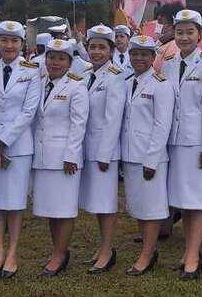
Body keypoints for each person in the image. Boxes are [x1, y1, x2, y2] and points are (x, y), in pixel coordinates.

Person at [0, 20, 42, 280]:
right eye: (4, 40)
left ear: (22, 44)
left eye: (14, 41)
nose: (9, 45)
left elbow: (29, 111)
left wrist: (3, 140)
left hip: (18, 146)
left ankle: (13, 253)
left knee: (15, 203)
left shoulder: (32, 71)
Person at [161, 10, 202, 279]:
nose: (184, 37)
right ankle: (188, 252)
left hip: (196, 143)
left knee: (197, 201)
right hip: (173, 141)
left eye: (189, 32)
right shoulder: (169, 64)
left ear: (200, 35)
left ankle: (194, 256)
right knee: (182, 201)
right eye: (180, 32)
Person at [32, 38, 89, 277]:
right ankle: (58, 251)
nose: (55, 62)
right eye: (51, 57)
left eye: (61, 58)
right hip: (43, 156)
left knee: (64, 209)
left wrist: (71, 156)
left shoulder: (77, 86)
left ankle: (59, 254)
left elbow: (79, 124)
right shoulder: (39, 83)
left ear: (70, 62)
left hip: (65, 159)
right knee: (50, 208)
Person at [121, 34, 176, 276]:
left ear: (153, 57)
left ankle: (147, 254)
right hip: (130, 154)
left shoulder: (161, 84)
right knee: (138, 205)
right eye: (135, 53)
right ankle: (148, 249)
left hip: (150, 157)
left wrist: (151, 160)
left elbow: (162, 125)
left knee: (151, 208)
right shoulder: (127, 82)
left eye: (144, 54)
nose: (139, 58)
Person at [78, 25, 126, 274]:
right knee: (97, 201)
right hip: (87, 148)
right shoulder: (85, 74)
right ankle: (102, 247)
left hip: (104, 151)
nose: (96, 52)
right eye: (92, 47)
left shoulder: (116, 76)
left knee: (106, 203)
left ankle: (107, 250)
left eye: (102, 47)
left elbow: (113, 119)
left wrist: (105, 154)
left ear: (111, 50)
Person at [151, 3, 185, 71]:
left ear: (172, 25)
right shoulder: (162, 42)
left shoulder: (175, 46)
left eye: (160, 22)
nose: (157, 26)